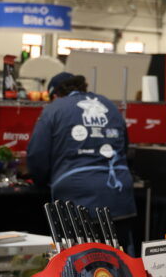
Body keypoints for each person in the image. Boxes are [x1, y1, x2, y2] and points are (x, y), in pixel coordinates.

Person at [27, 72, 137, 252]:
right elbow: (124, 148)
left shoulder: (54, 109)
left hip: (77, 202)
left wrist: (41, 181)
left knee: (82, 265)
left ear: (55, 95)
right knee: (120, 262)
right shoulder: (110, 105)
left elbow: (37, 156)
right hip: (119, 198)